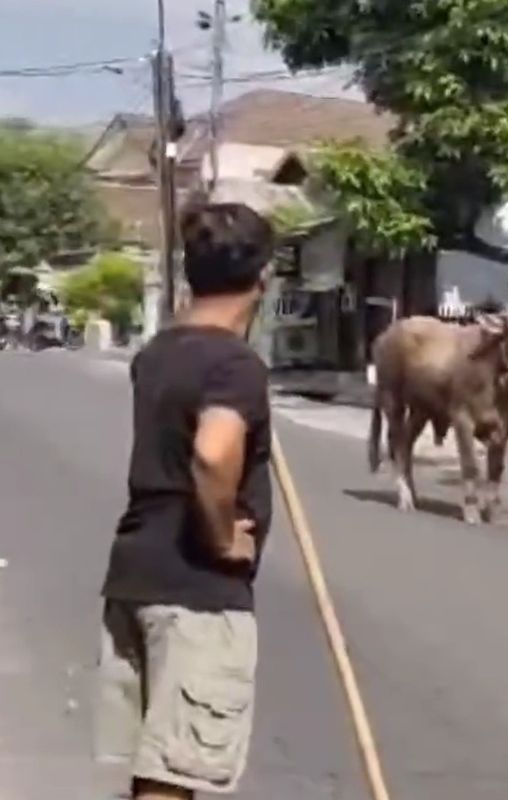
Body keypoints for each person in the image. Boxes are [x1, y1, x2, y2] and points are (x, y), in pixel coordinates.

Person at [93, 202, 276, 800]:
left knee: (149, 777)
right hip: (195, 592)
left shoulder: (158, 353)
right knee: (173, 781)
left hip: (135, 578)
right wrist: (224, 537)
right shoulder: (236, 364)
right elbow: (211, 454)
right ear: (264, 277)